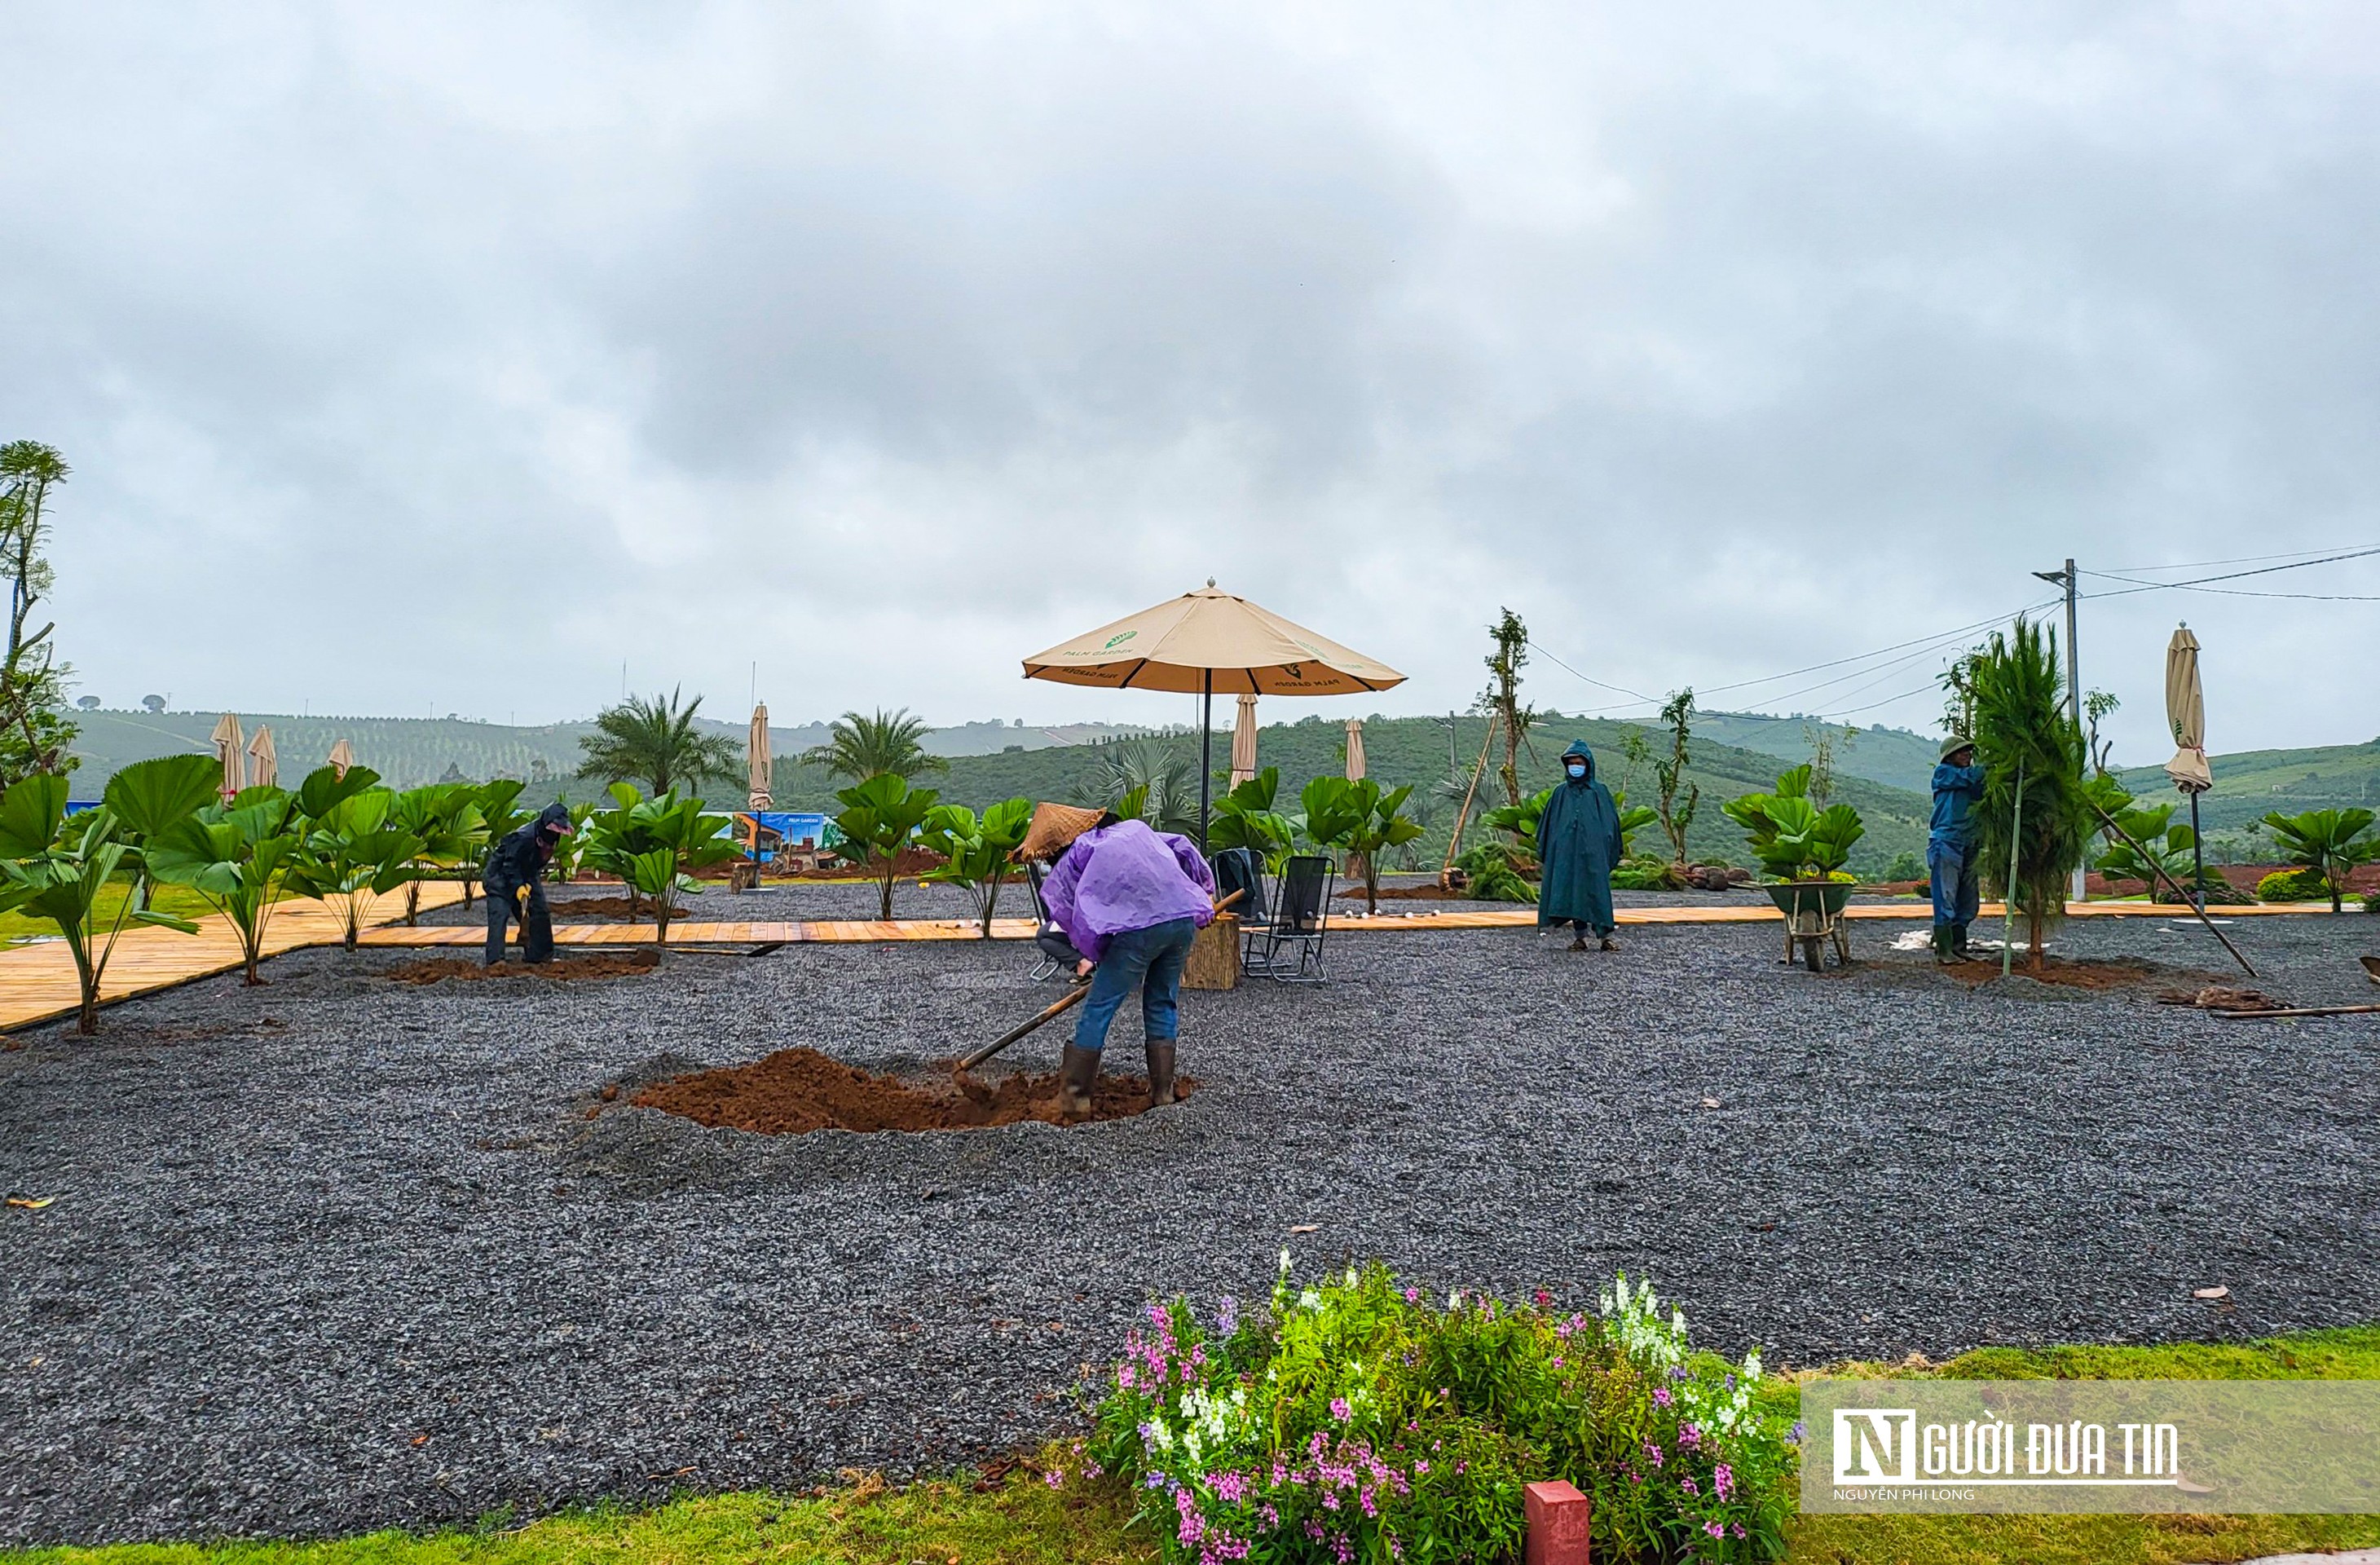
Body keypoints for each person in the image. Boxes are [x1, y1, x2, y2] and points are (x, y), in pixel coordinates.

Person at [1026, 801, 1217, 1113]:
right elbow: (1184, 849)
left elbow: (1068, 911)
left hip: (1139, 931)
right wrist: (1204, 895)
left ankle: (1075, 1099)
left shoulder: (1080, 851)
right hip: (1181, 920)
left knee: (1099, 1006)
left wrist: (1095, 954)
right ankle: (1163, 1094)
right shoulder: (1138, 829)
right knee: (1161, 1001)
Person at [1536, 739, 1624, 952]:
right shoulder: (1560, 794)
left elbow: (1611, 824)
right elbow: (1548, 826)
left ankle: (1606, 937)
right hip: (1567, 855)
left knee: (1598, 892)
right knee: (1572, 892)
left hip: (1594, 855)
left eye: (1579, 763)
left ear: (1588, 765)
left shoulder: (1599, 792)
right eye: (1572, 763)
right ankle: (1580, 938)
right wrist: (1554, 849)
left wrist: (1607, 848)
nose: (1576, 767)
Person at [483, 802, 575, 966]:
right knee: (500, 914)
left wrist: (528, 884)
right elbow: (510, 865)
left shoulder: (553, 838)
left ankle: (540, 955)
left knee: (540, 911)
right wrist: (519, 886)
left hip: (528, 873)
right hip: (500, 876)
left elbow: (535, 862)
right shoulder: (523, 837)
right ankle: (496, 960)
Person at [1928, 737, 1987, 962]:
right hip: (1946, 842)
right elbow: (1972, 776)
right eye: (1961, 752)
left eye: (1969, 751)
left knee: (1969, 899)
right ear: (1949, 756)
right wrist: (1993, 765)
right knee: (1946, 896)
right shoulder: (1944, 773)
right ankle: (1944, 951)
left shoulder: (1970, 780)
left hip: (1969, 842)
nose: (1967, 755)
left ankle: (1959, 947)